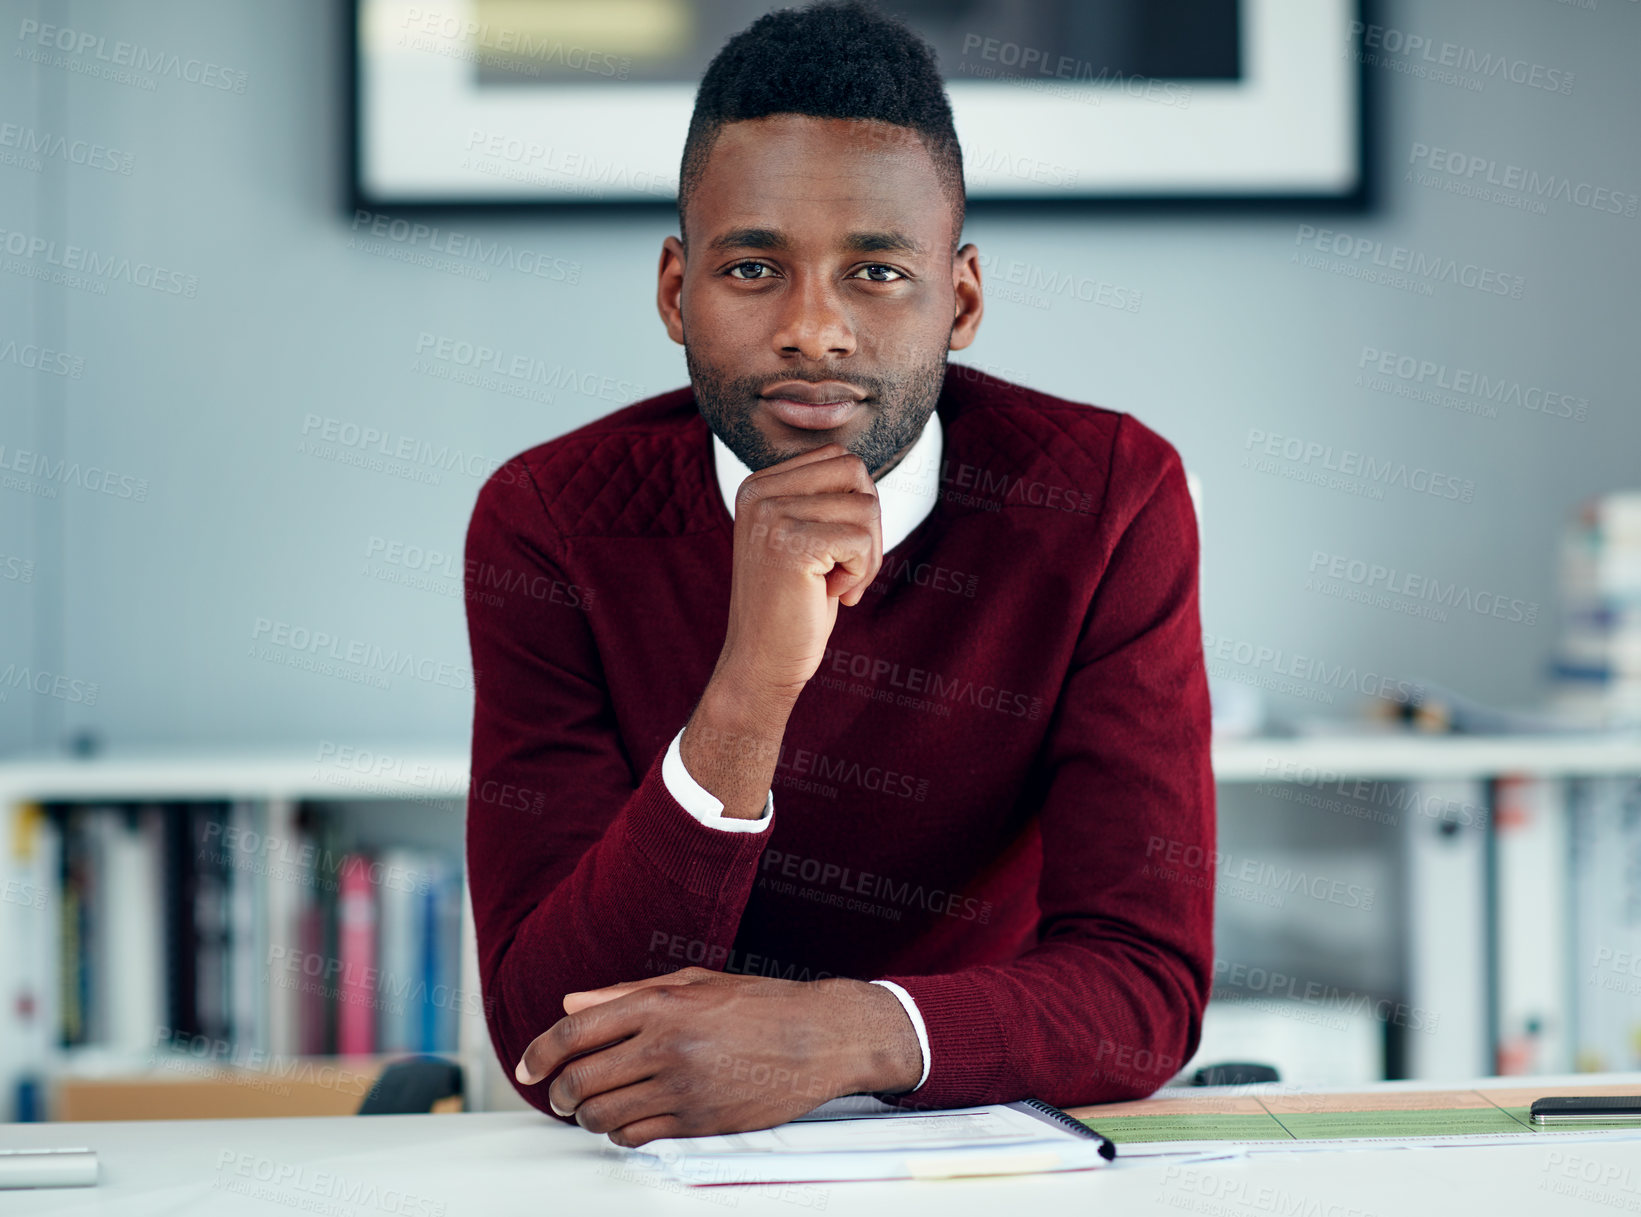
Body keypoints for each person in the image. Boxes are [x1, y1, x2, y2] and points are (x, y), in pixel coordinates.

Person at [463, 0, 1214, 1149]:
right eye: (755, 266)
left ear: (959, 300)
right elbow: (541, 1030)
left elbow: (1145, 987)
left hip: (983, 1136)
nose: (814, 330)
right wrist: (753, 686)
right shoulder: (548, 521)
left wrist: (833, 1037)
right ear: (677, 291)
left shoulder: (1111, 499)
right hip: (654, 1163)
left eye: (875, 272)